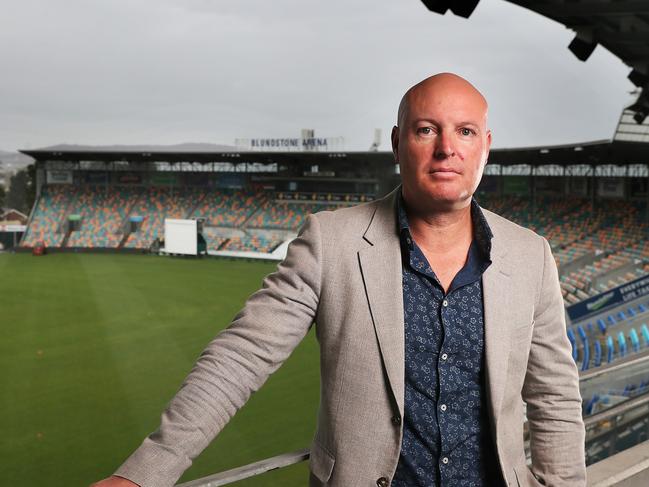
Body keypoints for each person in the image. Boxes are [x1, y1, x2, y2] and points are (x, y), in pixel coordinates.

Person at [92, 73, 585, 487]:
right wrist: (143, 474)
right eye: (427, 130)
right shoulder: (331, 242)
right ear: (397, 143)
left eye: (466, 132)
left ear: (486, 148)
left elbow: (555, 397)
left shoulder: (529, 255)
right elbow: (240, 357)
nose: (447, 150)